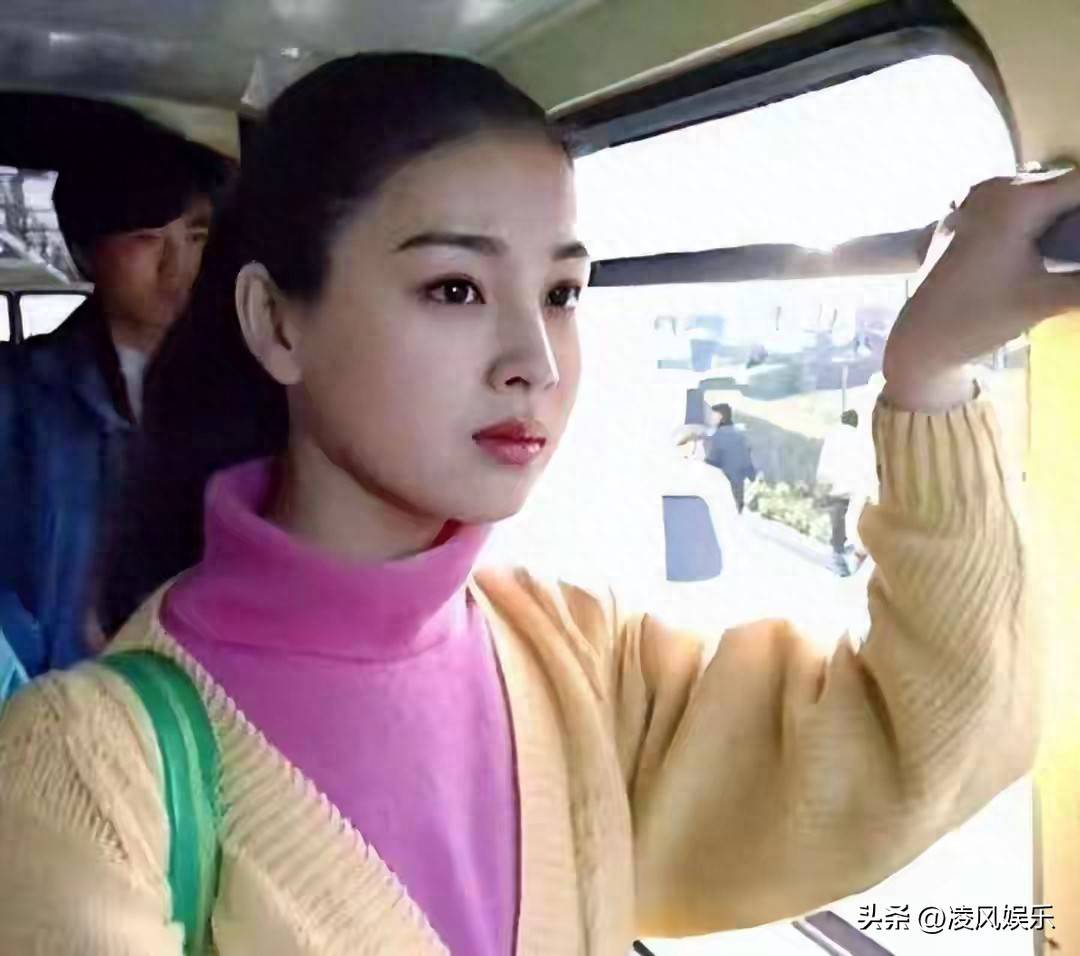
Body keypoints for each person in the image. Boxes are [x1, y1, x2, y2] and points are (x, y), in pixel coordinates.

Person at [0, 52, 1072, 953]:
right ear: (277, 323)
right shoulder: (81, 769)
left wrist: (928, 372)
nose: (534, 360)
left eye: (561, 293)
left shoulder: (573, 658)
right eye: (455, 288)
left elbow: (925, 738)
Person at [0, 116, 232, 677]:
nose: (178, 267)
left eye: (196, 237)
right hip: (54, 687)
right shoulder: (22, 395)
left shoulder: (245, 391)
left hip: (198, 688)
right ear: (86, 253)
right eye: (146, 238)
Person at [816, 408, 874, 576]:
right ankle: (846, 552)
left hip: (835, 484)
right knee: (848, 518)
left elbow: (826, 458)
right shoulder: (860, 438)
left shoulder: (833, 435)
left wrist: (822, 479)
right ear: (855, 423)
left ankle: (838, 553)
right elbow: (866, 463)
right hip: (853, 486)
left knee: (837, 518)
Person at [704, 402, 756, 513]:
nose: (710, 418)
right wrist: (751, 475)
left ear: (720, 417)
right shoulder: (739, 433)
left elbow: (712, 461)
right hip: (741, 480)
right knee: (739, 508)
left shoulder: (718, 435)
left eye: (713, 415)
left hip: (726, 482)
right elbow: (747, 455)